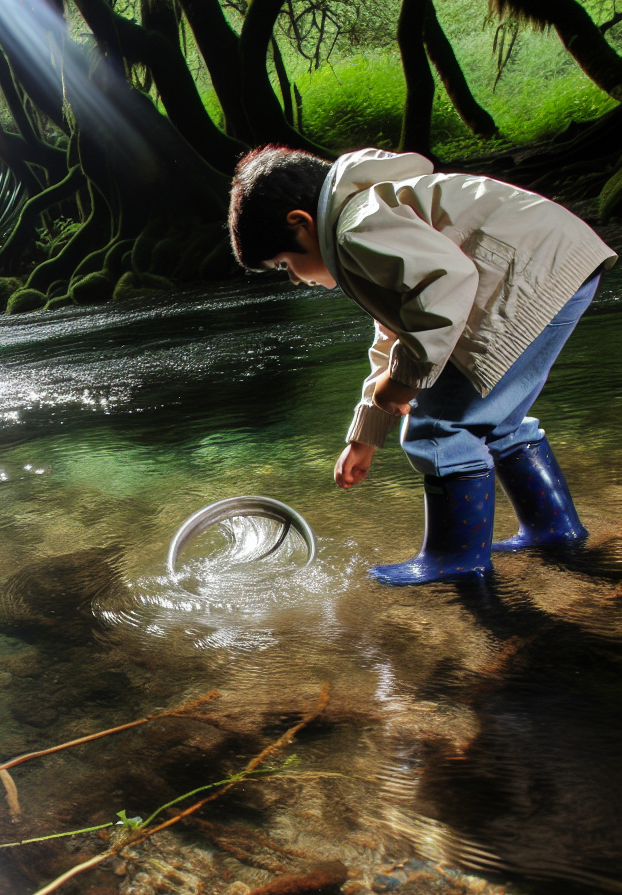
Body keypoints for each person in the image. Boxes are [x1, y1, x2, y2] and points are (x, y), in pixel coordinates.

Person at [228, 146, 617, 586]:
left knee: (436, 428)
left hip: (529, 276)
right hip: (562, 267)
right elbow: (392, 336)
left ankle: (455, 560)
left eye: (284, 264)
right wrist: (366, 435)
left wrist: (405, 382)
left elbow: (448, 283)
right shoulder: (376, 210)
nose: (295, 278)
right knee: (497, 416)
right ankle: (553, 533)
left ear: (301, 223)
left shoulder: (358, 228)